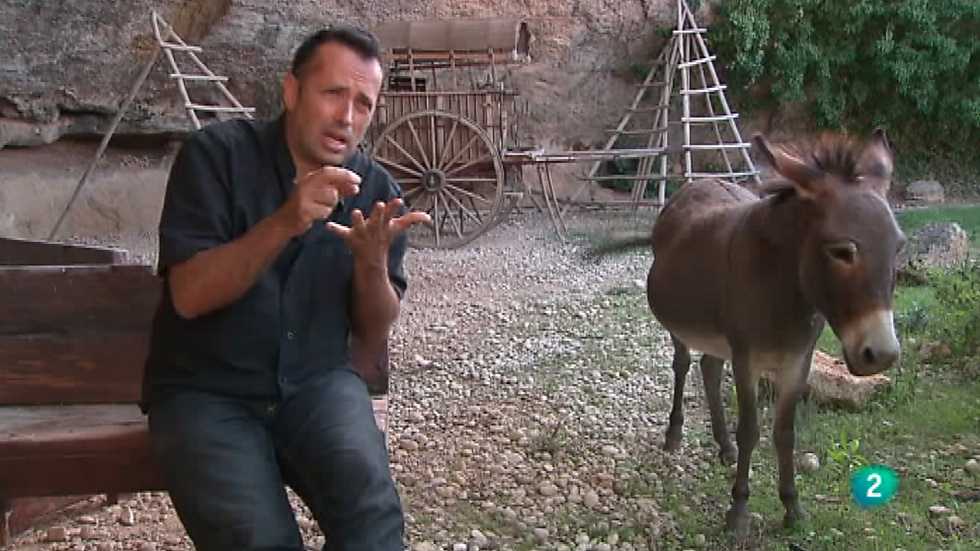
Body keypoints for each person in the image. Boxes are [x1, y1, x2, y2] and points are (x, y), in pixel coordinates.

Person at [140, 24, 429, 551]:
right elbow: (189, 295)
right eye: (333, 93)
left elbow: (372, 332)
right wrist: (286, 220)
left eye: (363, 104)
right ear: (292, 91)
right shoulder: (216, 156)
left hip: (318, 384)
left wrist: (371, 266)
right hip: (207, 392)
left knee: (374, 518)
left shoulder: (377, 191)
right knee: (257, 539)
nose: (347, 118)